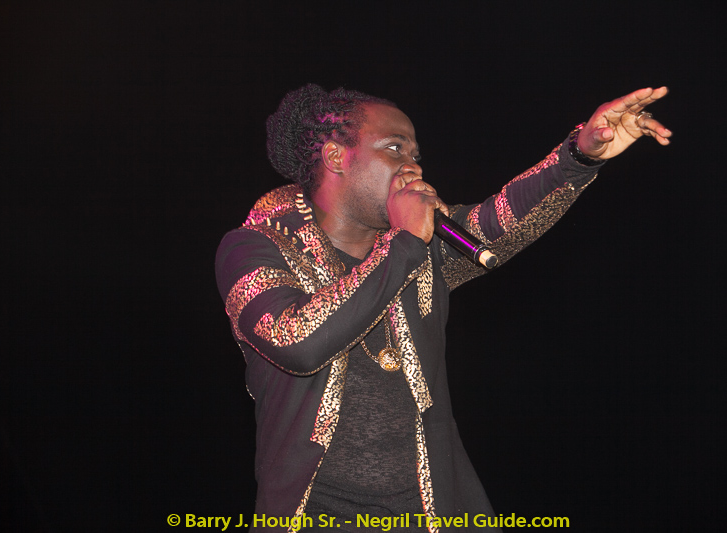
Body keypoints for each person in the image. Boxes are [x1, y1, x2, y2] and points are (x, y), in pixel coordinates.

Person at [215, 84, 671, 531]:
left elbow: (499, 218)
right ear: (336, 156)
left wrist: (579, 155)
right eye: (394, 148)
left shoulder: (423, 248)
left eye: (415, 154)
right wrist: (405, 243)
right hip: (314, 516)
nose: (413, 166)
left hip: (435, 513)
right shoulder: (252, 249)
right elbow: (297, 342)